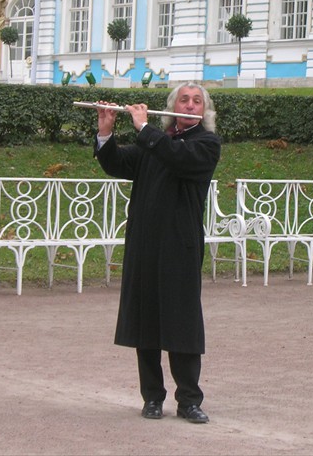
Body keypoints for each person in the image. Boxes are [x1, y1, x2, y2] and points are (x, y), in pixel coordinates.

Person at [93, 83, 221, 424]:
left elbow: (179, 159)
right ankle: (152, 398)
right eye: (184, 100)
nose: (190, 105)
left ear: (204, 111)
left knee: (183, 324)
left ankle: (189, 401)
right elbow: (119, 164)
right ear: (173, 105)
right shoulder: (155, 142)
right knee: (145, 321)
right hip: (146, 244)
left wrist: (145, 129)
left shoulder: (206, 144)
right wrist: (105, 134)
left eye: (197, 101)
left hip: (180, 246)